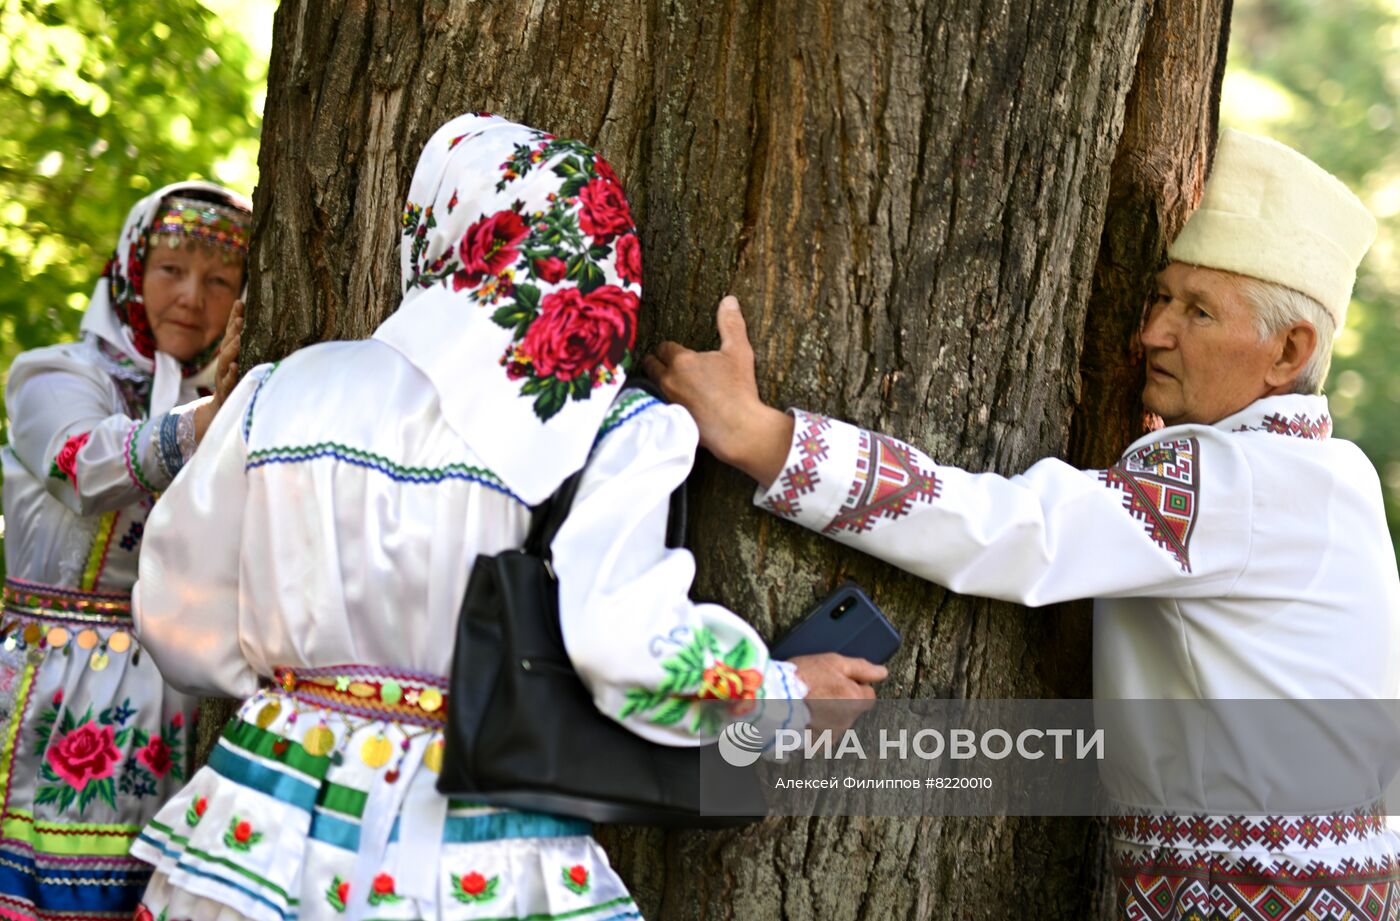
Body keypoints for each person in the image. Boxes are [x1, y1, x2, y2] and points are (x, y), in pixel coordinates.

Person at [129, 112, 882, 921]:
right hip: (470, 842)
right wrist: (780, 693)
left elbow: (176, 625)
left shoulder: (279, 392)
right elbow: (618, 646)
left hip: (263, 822)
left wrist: (311, 690)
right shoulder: (609, 427)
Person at [645, 128, 1400, 917]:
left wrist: (764, 438)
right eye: (1162, 299)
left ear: (1289, 351)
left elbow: (1015, 532)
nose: (1153, 333)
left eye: (1199, 310)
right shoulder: (1332, 476)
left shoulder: (1234, 478)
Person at [0, 182, 249, 918]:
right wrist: (205, 422)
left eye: (220, 282)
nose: (191, 298)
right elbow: (82, 466)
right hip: (48, 680)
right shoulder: (56, 374)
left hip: (174, 695)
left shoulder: (239, 396)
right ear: (133, 269)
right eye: (171, 269)